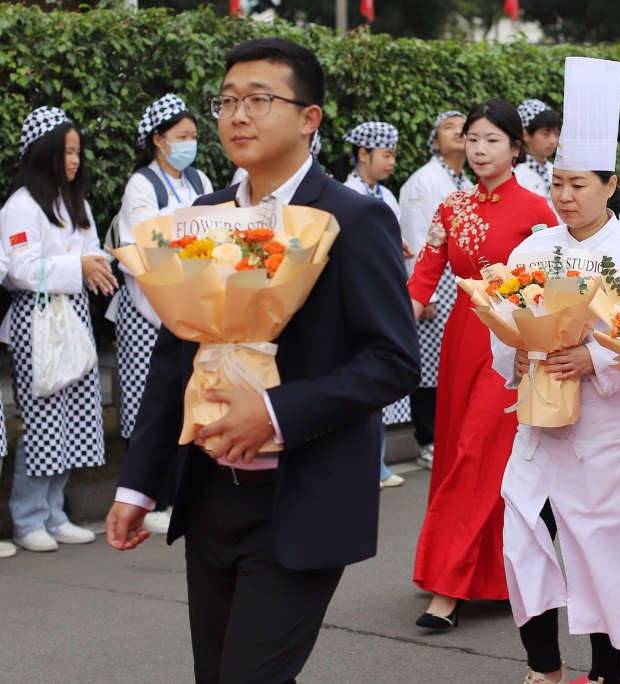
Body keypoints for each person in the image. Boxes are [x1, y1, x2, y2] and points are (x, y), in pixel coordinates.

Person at [104, 37, 420, 684]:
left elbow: (392, 360)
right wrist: (140, 483)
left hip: (302, 495)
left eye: (258, 100)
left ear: (310, 118)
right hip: (209, 494)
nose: (236, 116)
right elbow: (176, 355)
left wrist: (275, 413)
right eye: (226, 101)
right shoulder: (203, 215)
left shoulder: (354, 219)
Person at [494, 57, 620, 684]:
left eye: (579, 185)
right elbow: (506, 324)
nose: (563, 197)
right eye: (557, 183)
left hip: (609, 434)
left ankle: (606, 673)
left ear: (612, 184)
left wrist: (593, 357)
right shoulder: (532, 249)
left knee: (606, 559)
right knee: (521, 541)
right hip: (539, 428)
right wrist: (514, 351)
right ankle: (544, 667)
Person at [409, 97, 558, 629]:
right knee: (457, 454)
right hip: (461, 341)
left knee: (480, 452)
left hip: (512, 347)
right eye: (472, 139)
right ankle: (490, 576)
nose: (479, 149)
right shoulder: (452, 208)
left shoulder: (540, 211)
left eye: (493, 140)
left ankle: (446, 588)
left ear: (516, 148)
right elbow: (423, 280)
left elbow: (555, 288)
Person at [0, 107, 116, 553]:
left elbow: (89, 252)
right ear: (44, 151)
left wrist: (99, 264)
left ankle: (54, 512)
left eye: (78, 151)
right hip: (37, 322)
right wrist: (80, 266)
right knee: (44, 421)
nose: (75, 160)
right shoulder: (20, 207)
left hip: (73, 319)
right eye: (67, 151)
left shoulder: (75, 203)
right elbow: (22, 270)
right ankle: (27, 518)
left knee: (76, 417)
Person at [108, 93, 214, 535]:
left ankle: (178, 494)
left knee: (189, 398)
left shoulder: (200, 178)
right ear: (158, 140)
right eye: (181, 136)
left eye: (192, 135)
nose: (189, 143)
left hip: (194, 305)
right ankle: (152, 495)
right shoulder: (141, 185)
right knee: (147, 403)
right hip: (147, 309)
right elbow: (149, 245)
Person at [398, 110, 473, 470]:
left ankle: (446, 432)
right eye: (449, 128)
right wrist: (421, 293)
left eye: (464, 128)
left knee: (450, 361)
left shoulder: (465, 178)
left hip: (457, 280)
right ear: (434, 140)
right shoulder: (423, 180)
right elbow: (416, 236)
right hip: (433, 282)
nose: (459, 133)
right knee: (428, 363)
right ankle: (426, 437)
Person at [339, 120, 407, 488]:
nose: (391, 161)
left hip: (385, 289)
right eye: (386, 154)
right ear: (362, 154)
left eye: (393, 155)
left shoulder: (386, 194)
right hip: (359, 294)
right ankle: (364, 464)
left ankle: (377, 463)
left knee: (379, 380)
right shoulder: (347, 193)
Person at [514, 99, 561, 206]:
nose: (553, 140)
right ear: (525, 135)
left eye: (556, 134)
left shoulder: (553, 169)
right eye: (546, 134)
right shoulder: (516, 173)